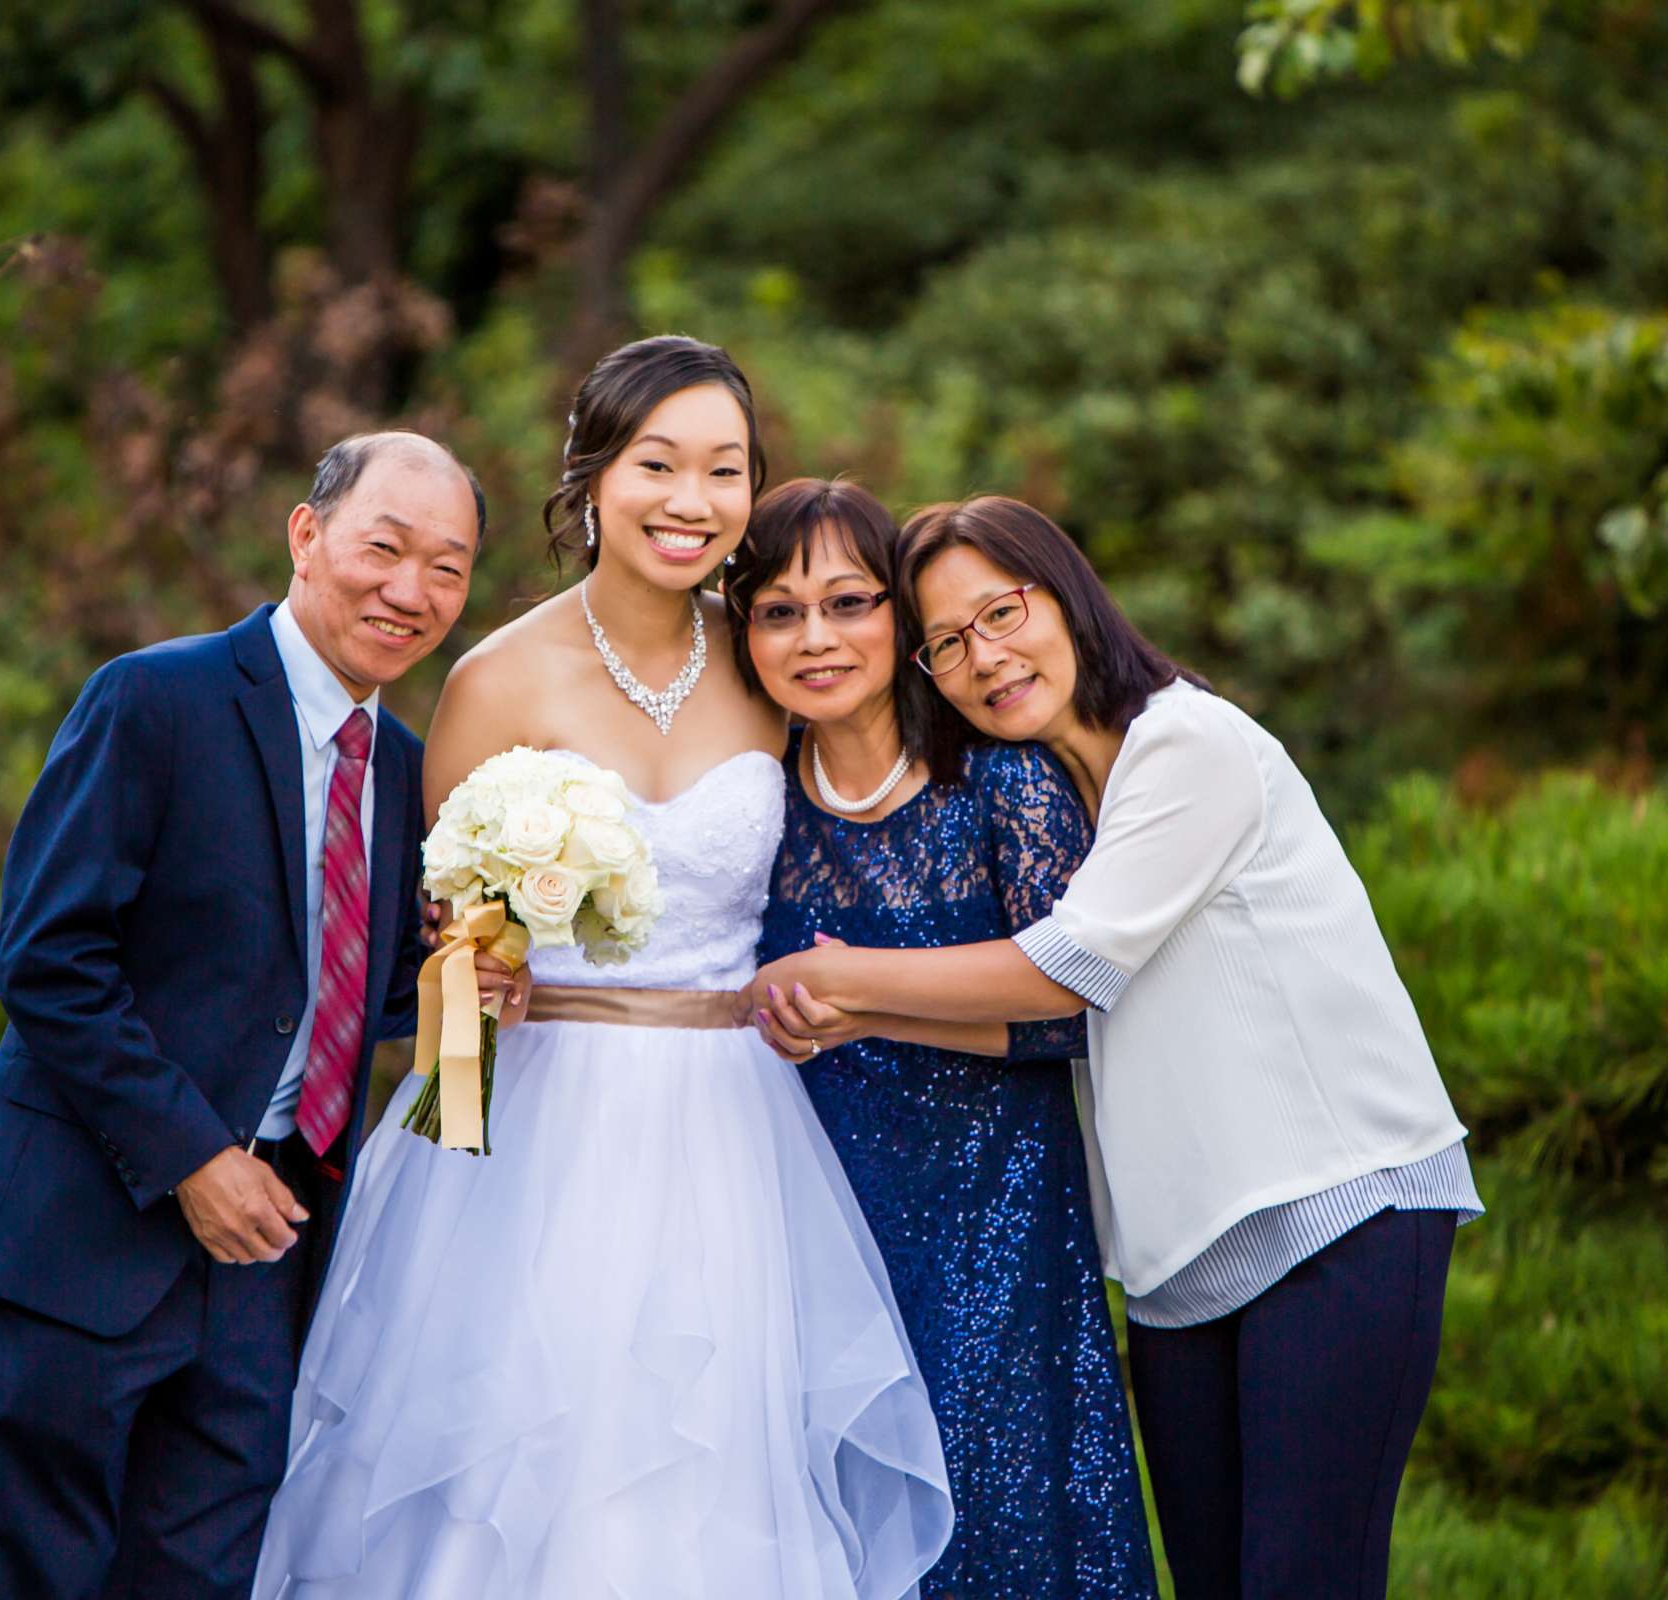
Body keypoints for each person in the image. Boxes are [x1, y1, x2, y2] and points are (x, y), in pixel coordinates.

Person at [253, 338, 951, 1599]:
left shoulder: (776, 659)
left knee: (716, 1469)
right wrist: (476, 995)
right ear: (591, 478)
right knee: (519, 1460)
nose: (692, 500)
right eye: (659, 464)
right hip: (526, 1135)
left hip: (734, 1127)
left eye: (725, 471)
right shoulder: (494, 678)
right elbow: (442, 961)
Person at [749, 496, 1484, 1600]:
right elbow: (1055, 1020)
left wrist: (838, 974)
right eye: (947, 643)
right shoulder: (1068, 789)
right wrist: (863, 1016)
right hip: (1181, 1264)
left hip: (1340, 1209)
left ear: (1069, 595)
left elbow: (1061, 967)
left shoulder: (1188, 743)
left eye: (1003, 613)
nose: (983, 657)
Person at [0, 432, 488, 1599]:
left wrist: (462, 988)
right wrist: (192, 1154)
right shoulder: (154, 697)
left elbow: (336, 988)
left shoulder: (408, 773)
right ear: (306, 532)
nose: (410, 590)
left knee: (207, 1573)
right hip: (83, 1228)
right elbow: (50, 959)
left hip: (271, 1255)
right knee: (38, 1571)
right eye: (384, 548)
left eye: (447, 567)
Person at [732, 477, 1157, 1598]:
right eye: (778, 611)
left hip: (999, 1223)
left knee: (997, 1528)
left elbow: (1072, 1009)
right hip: (806, 1217)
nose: (816, 637)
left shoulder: (1002, 783)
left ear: (902, 623)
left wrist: (860, 997)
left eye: (849, 602)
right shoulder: (756, 805)